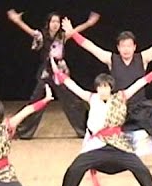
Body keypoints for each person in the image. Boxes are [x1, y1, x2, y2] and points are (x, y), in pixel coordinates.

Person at [65, 13, 152, 164]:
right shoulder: (111, 59)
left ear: (134, 46)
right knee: (108, 134)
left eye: (129, 45)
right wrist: (73, 33)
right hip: (118, 108)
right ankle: (107, 160)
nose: (126, 49)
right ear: (118, 47)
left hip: (141, 106)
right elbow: (90, 46)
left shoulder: (143, 58)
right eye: (122, 46)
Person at [49, 69, 152, 186]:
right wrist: (58, 73)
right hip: (96, 145)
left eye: (105, 87)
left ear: (111, 88)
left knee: (140, 168)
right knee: (75, 168)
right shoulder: (92, 98)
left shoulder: (120, 97)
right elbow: (73, 86)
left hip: (118, 144)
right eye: (100, 87)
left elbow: (139, 84)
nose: (102, 90)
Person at [6, 9, 98, 138]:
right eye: (53, 21)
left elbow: (76, 30)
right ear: (48, 23)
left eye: (58, 22)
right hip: (46, 73)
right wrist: (17, 21)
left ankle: (86, 129)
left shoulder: (62, 36)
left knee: (73, 101)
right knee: (36, 101)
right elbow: (29, 30)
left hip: (61, 73)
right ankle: (23, 131)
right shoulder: (41, 35)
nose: (55, 24)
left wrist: (89, 23)